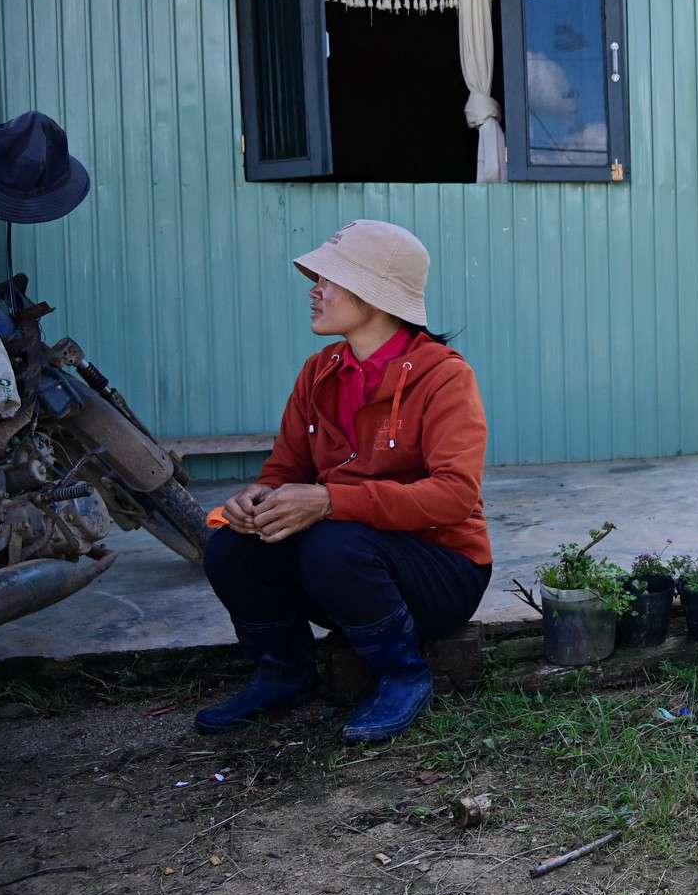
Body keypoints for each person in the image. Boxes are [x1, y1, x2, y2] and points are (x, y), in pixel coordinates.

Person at [195, 220, 491, 742]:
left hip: (441, 571)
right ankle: (284, 673)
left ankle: (402, 673)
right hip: (346, 566)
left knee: (334, 543)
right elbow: (286, 471)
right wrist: (256, 499)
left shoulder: (444, 376)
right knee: (230, 549)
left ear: (373, 294)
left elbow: (454, 496)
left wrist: (330, 501)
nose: (315, 290)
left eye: (329, 279)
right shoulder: (318, 371)